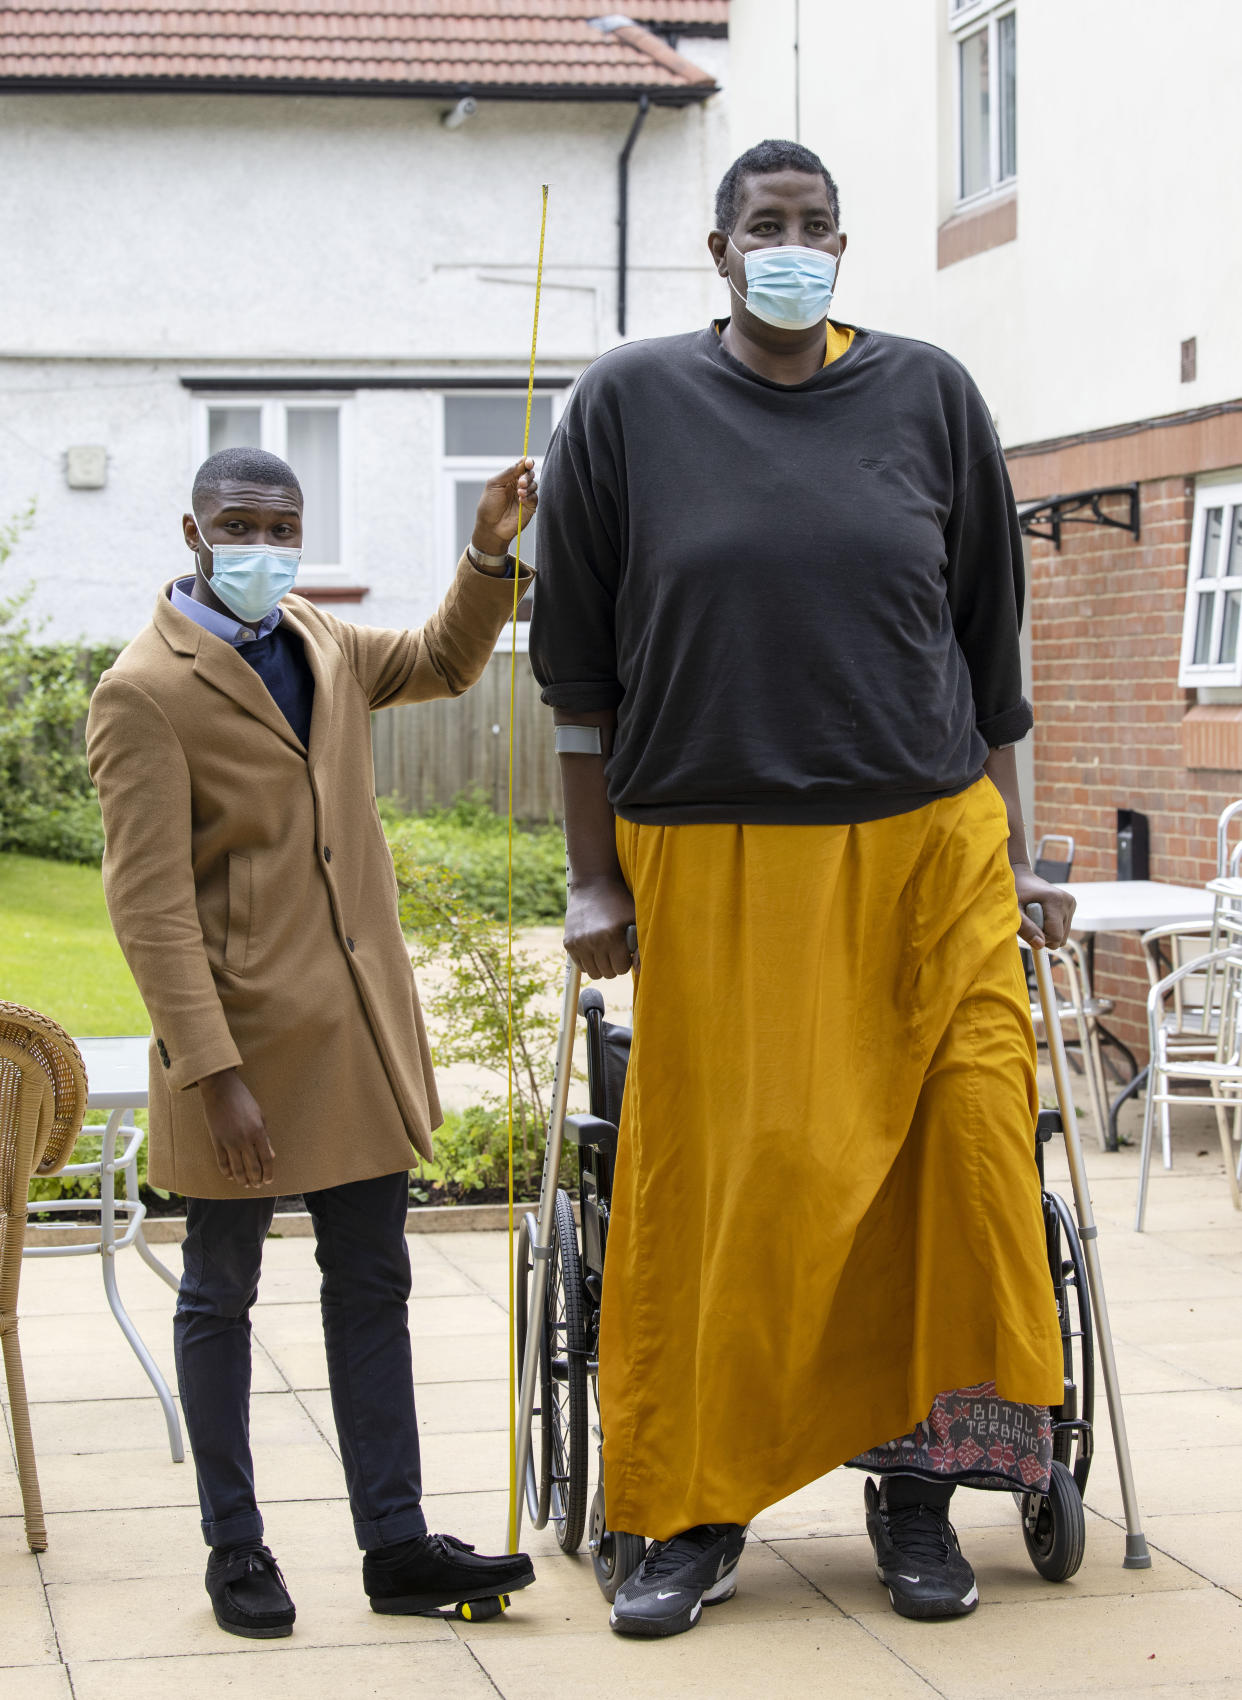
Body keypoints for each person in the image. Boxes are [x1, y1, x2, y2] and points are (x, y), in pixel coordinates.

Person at [529, 138, 1077, 1639]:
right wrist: (590, 876)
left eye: (813, 227)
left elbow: (993, 667)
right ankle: (694, 1506)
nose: (790, 246)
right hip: (712, 852)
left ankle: (916, 1496)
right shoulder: (630, 404)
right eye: (762, 225)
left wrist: (1021, 854)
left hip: (926, 845)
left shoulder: (928, 395)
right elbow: (574, 676)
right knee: (735, 1184)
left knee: (953, 1163)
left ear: (842, 247)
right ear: (717, 250)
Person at [86, 445, 538, 1639]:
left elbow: (444, 659)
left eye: (283, 525)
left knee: (373, 1280)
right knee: (220, 1289)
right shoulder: (143, 688)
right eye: (241, 524)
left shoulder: (323, 643)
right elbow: (148, 903)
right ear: (193, 532)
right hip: (235, 1046)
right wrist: (215, 1071)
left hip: (351, 1034)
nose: (264, 545)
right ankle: (236, 1546)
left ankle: (395, 1542)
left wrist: (489, 549)